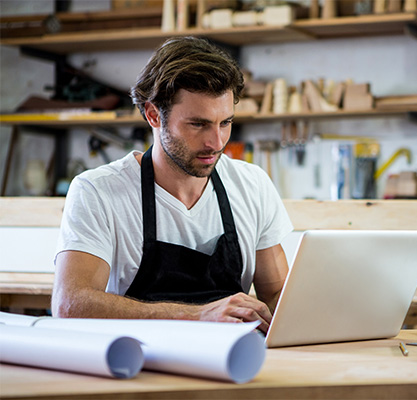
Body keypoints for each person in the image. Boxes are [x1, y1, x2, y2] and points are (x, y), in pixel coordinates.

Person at [52, 37, 293, 333]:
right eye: (198, 124)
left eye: (225, 123)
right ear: (154, 115)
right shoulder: (98, 191)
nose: (216, 143)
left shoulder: (251, 184)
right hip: (136, 360)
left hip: (232, 359)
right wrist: (198, 316)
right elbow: (71, 305)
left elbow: (277, 294)